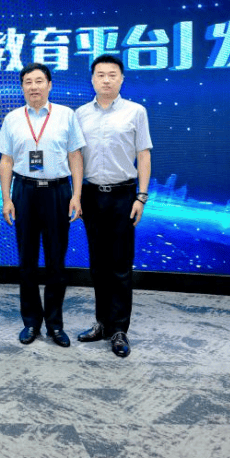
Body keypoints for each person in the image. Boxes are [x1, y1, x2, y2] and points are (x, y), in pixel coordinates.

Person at [0, 63, 85, 347]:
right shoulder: (12, 118)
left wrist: (76, 195)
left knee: (56, 262)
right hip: (24, 191)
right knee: (27, 261)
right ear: (22, 87)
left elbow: (75, 157)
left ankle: (55, 325)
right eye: (28, 82)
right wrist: (6, 198)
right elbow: (6, 161)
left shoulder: (66, 115)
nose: (33, 87)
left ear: (49, 85)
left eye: (39, 81)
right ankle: (31, 322)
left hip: (57, 191)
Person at [75, 54, 152, 358]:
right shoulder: (80, 114)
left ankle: (119, 329)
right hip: (92, 195)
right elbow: (75, 158)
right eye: (100, 74)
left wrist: (141, 196)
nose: (106, 80)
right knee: (98, 265)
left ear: (121, 78)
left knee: (120, 266)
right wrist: (76, 196)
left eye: (112, 74)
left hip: (123, 195)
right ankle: (102, 323)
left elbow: (143, 154)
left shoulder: (136, 111)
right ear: (92, 79)